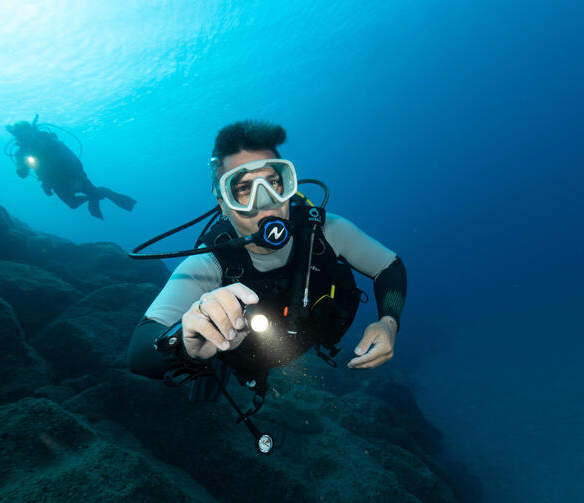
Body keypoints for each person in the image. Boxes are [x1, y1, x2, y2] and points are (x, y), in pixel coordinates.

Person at [127, 120, 406, 449]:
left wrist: (389, 321)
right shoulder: (207, 264)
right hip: (247, 356)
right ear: (223, 204)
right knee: (214, 370)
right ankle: (215, 368)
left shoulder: (325, 231)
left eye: (274, 182)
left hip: (307, 338)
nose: (266, 201)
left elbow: (389, 266)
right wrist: (188, 343)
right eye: (243, 189)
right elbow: (139, 352)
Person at [5, 116, 136, 220]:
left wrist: (76, 178)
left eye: (27, 133)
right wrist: (23, 171)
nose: (27, 138)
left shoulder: (51, 142)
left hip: (74, 174)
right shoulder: (21, 153)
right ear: (18, 138)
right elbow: (21, 171)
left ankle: (104, 193)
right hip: (53, 182)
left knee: (95, 193)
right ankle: (92, 198)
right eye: (22, 136)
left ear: (33, 131)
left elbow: (73, 160)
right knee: (72, 204)